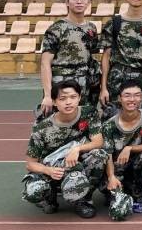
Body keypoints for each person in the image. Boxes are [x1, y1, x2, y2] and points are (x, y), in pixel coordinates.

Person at [23, 80, 107, 218]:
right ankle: (50, 196)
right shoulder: (41, 128)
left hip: (75, 165)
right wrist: (48, 170)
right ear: (54, 102)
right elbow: (30, 164)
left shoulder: (89, 113)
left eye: (73, 97)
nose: (68, 102)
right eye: (62, 99)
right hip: (52, 169)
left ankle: (83, 199)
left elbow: (98, 142)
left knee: (99, 155)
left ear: (79, 98)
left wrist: (77, 149)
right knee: (34, 192)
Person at [38, 0, 100, 116]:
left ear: (89, 2)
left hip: (85, 86)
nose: (79, 2)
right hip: (62, 85)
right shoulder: (56, 29)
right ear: (67, 2)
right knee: (58, 123)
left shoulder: (91, 28)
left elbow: (93, 58)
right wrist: (48, 95)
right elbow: (45, 63)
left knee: (84, 122)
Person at [102, 80, 142, 219]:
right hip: (118, 167)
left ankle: (139, 192)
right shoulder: (109, 125)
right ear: (119, 98)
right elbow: (108, 154)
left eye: (137, 95)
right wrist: (111, 177)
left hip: (137, 163)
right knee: (117, 208)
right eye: (127, 95)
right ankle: (116, 190)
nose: (132, 99)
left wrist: (129, 148)